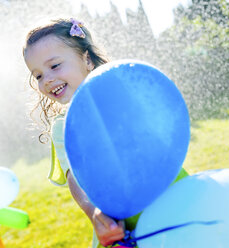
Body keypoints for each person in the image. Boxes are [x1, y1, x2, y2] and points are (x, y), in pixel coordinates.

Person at [23, 18, 188, 248]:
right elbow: (75, 179)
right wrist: (94, 212)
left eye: (54, 66)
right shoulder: (64, 125)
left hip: (169, 191)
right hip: (121, 221)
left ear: (87, 59)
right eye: (38, 75)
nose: (47, 79)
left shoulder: (122, 94)